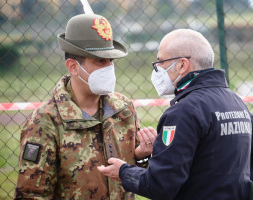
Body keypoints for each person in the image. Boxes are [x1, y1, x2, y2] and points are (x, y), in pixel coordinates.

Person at [97, 29, 253, 200]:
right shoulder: (233, 100)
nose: (157, 68)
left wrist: (123, 172)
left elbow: (161, 185)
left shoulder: (184, 111)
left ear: (182, 65)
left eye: (160, 62)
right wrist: (234, 187)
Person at [14, 13, 157, 200]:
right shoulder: (45, 122)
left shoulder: (123, 109)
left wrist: (141, 156)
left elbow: (131, 175)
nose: (109, 67)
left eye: (111, 60)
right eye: (100, 60)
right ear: (73, 67)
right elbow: (31, 194)